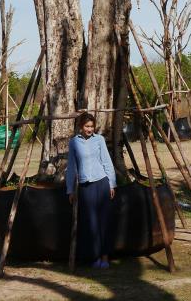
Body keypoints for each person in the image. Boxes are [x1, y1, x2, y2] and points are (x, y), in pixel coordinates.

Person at [66, 112, 116, 268]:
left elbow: (107, 162)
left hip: (101, 183)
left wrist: (112, 183)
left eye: (92, 126)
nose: (90, 129)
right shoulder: (74, 142)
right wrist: (70, 190)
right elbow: (71, 168)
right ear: (81, 126)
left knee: (104, 221)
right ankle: (94, 257)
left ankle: (105, 257)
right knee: (90, 222)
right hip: (85, 187)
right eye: (87, 126)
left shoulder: (99, 140)